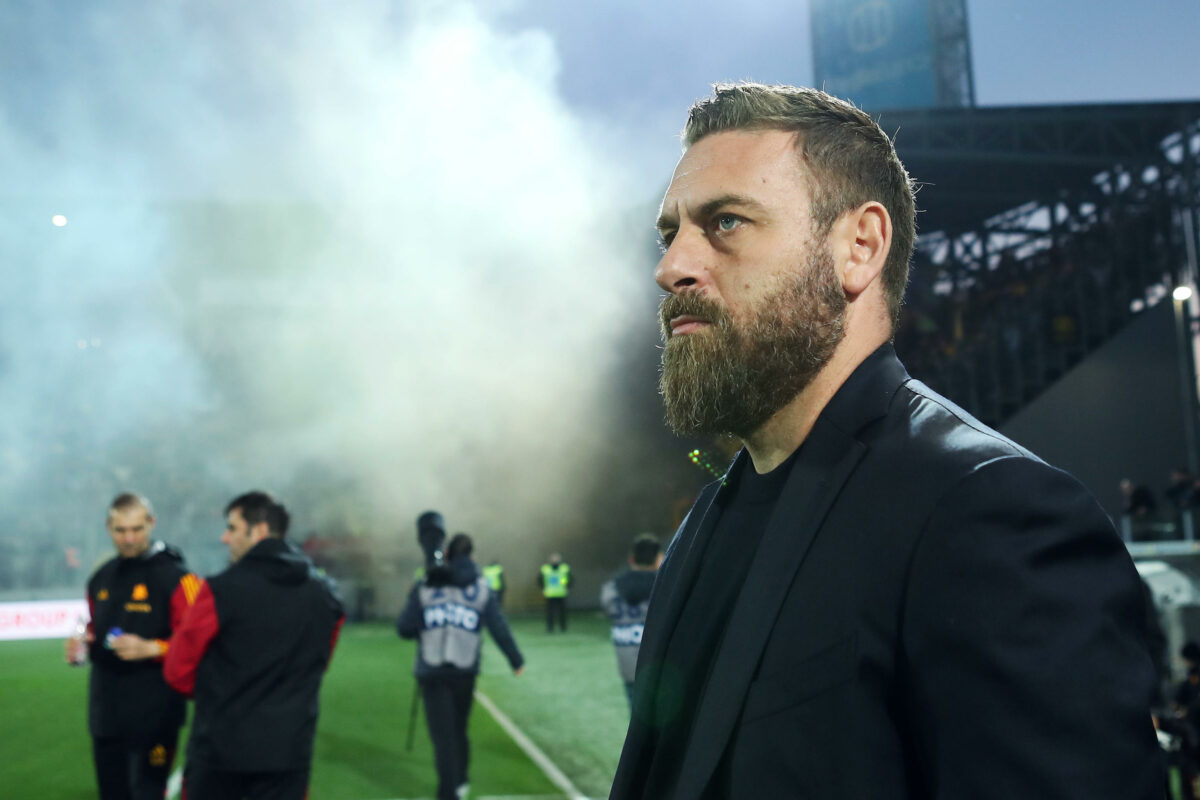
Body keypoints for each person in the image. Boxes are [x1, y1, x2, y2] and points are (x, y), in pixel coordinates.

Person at [610, 83, 1163, 798]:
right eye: (670, 234)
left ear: (860, 247)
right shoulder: (706, 525)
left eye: (725, 222)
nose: (671, 267)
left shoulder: (991, 514)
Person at [163, 491, 345, 800]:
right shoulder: (326, 594)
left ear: (259, 531)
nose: (224, 538)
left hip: (221, 751)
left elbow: (177, 670)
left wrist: (218, 693)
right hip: (289, 751)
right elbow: (321, 661)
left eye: (232, 528)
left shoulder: (219, 590)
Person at [64, 492, 200, 800]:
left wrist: (154, 648)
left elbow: (198, 643)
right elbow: (96, 630)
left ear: (152, 523)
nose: (128, 539)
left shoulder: (179, 578)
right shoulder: (100, 577)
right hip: (106, 713)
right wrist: (83, 646)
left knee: (147, 793)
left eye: (137, 529)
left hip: (156, 712)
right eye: (120, 530)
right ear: (108, 528)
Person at [398, 532, 524, 800]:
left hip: (431, 671)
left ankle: (448, 792)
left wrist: (424, 624)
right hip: (465, 672)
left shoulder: (426, 584)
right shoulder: (481, 587)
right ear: (472, 556)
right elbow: (498, 626)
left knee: (443, 736)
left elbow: (404, 627)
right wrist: (516, 660)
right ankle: (461, 779)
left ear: (446, 555)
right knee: (458, 729)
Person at [600, 534, 662, 708]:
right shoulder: (666, 585)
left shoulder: (611, 588)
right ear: (658, 559)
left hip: (628, 667)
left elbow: (608, 607)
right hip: (660, 667)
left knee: (636, 717)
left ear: (632, 559)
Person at [538, 552, 570, 633]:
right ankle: (550, 628)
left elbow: (567, 579)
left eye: (557, 558)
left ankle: (563, 627)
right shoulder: (545, 569)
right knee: (549, 612)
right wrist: (543, 588)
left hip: (561, 593)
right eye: (554, 558)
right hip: (550, 593)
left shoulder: (564, 568)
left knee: (562, 612)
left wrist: (566, 586)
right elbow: (540, 579)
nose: (555, 560)